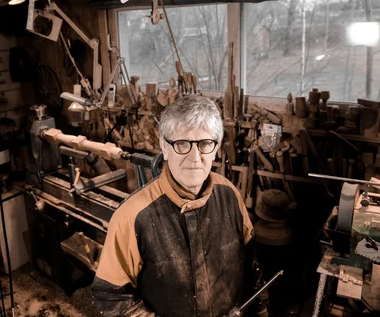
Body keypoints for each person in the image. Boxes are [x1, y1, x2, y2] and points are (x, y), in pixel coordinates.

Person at [91, 95, 267, 317]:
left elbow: (252, 269)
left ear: (216, 149)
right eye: (182, 144)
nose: (195, 157)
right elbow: (110, 298)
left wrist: (260, 311)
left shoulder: (230, 195)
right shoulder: (132, 217)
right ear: (164, 148)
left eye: (204, 144)